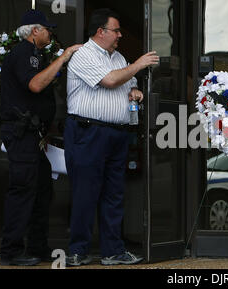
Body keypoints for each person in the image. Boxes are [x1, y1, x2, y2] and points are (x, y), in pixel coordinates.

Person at [64, 8, 158, 266]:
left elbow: (125, 83)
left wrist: (136, 90)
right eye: (115, 30)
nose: (119, 35)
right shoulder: (83, 55)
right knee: (86, 193)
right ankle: (78, 251)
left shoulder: (118, 57)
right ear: (100, 32)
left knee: (114, 195)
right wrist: (138, 65)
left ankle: (112, 251)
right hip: (89, 131)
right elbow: (109, 81)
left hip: (117, 133)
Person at [0, 9, 82, 266]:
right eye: (47, 29)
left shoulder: (34, 54)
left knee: (41, 190)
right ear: (35, 31)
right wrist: (64, 57)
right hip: (22, 133)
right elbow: (35, 85)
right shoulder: (23, 53)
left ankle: (37, 246)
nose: (50, 33)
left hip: (34, 135)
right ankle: (11, 251)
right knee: (23, 190)